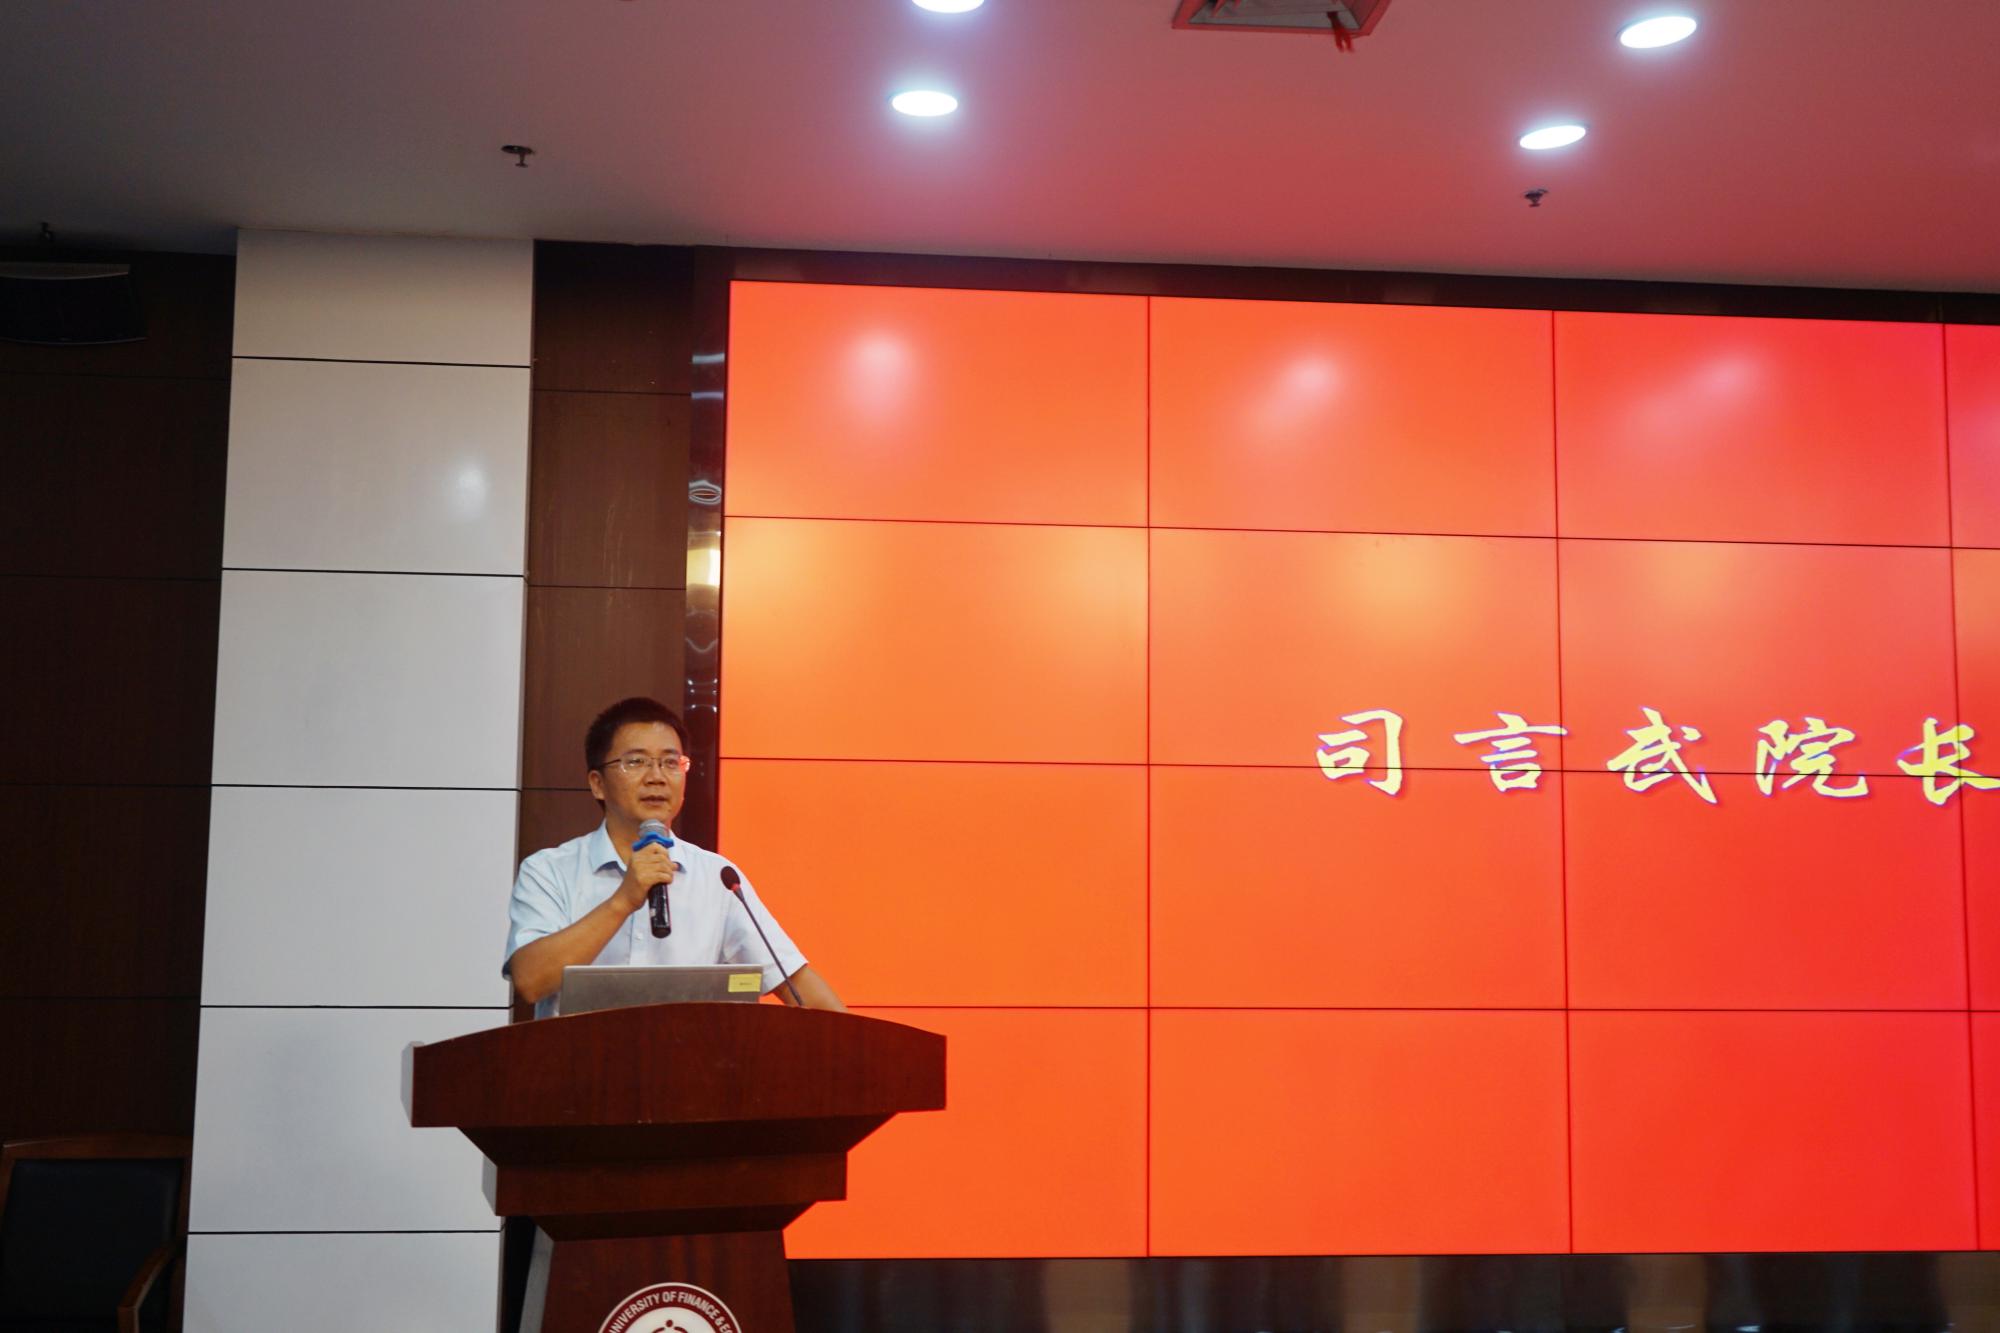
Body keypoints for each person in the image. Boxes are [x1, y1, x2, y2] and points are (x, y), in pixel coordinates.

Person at [504, 696, 844, 1015]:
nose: (656, 777)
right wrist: (623, 900)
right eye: (636, 762)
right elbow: (530, 981)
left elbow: (799, 987)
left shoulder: (718, 878)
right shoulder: (549, 870)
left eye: (670, 762)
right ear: (598, 784)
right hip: (578, 1060)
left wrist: (856, 1048)